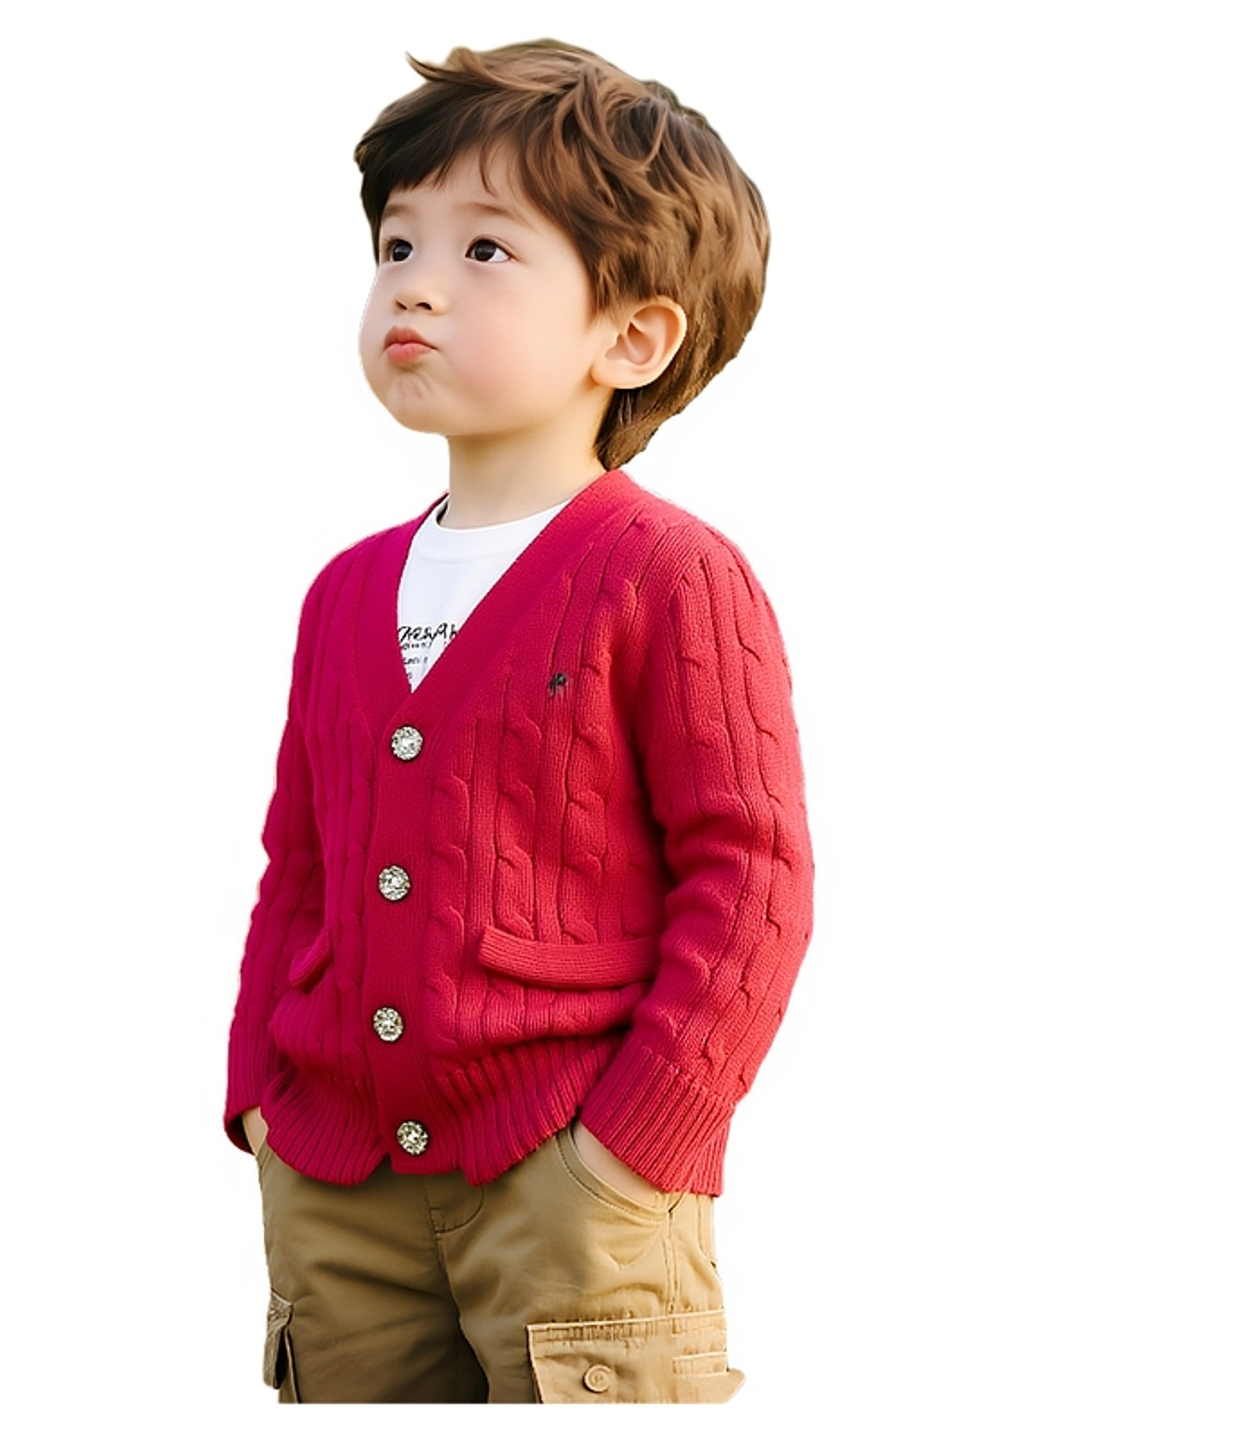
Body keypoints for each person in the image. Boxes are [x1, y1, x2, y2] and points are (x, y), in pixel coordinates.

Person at [223, 39, 813, 1404]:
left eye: (484, 250)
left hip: (574, 1180)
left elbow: (753, 877)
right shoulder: (342, 593)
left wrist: (637, 1144)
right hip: (335, 1182)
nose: (414, 283)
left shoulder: (671, 576)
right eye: (396, 245)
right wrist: (259, 1093)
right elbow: (298, 864)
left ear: (632, 336)